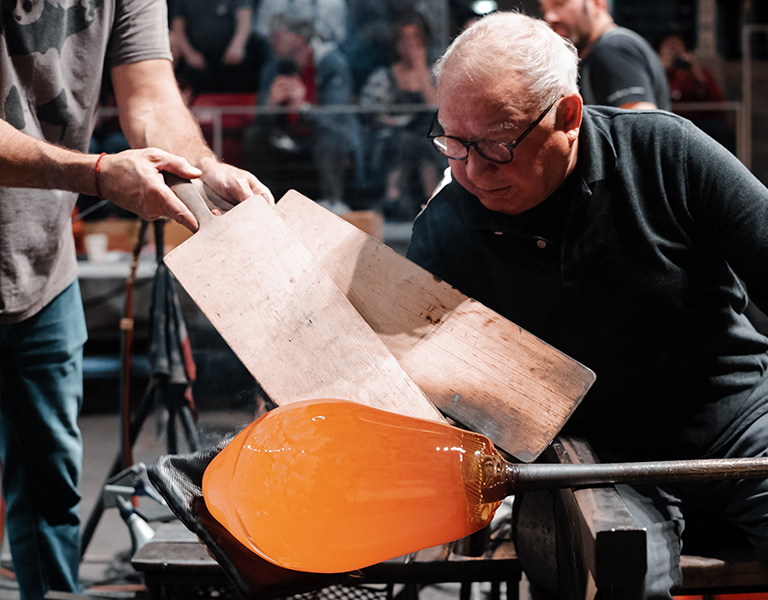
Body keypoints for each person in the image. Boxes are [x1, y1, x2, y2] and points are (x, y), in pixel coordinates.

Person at [406, 11, 768, 599]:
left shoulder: (666, 154)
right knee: (618, 572)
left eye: (498, 143)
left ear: (568, 116)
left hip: (739, 428)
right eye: (453, 142)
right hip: (598, 460)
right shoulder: (447, 233)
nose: (472, 170)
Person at [0, 1, 273, 598]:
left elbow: (150, 98)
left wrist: (200, 169)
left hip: (43, 275)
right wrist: (98, 173)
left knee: (51, 497)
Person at [243, 13, 363, 207]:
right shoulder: (272, 68)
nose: (273, 40)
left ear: (299, 38)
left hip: (326, 136)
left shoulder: (331, 63)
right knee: (255, 136)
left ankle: (333, 202)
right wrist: (271, 106)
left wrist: (304, 107)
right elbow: (259, 116)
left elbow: (335, 116)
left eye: (280, 34)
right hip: (290, 137)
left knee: (329, 137)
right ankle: (265, 203)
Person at [360, 9, 446, 220]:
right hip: (390, 138)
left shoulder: (435, 75)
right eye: (404, 40)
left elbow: (436, 109)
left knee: (423, 140)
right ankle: (417, 198)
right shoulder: (384, 77)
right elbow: (371, 114)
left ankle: (400, 197)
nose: (409, 46)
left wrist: (420, 68)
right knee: (406, 141)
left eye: (415, 40)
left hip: (423, 139)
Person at [539, 0, 671, 110]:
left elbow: (641, 129)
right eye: (544, 8)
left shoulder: (612, 50)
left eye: (560, 4)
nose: (549, 17)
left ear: (597, 3)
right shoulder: (601, 50)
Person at [657, 28, 735, 152]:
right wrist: (658, 70)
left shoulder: (700, 73)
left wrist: (697, 77)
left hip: (699, 125)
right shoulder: (655, 73)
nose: (673, 51)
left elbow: (718, 104)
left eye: (677, 47)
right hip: (666, 124)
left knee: (722, 132)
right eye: (668, 47)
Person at [169, 0, 267, 94]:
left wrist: (237, 45)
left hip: (230, 53)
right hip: (198, 55)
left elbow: (245, 20)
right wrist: (190, 54)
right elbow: (178, 27)